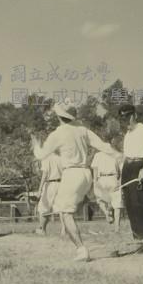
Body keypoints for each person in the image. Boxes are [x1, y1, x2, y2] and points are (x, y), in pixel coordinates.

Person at [31, 101, 121, 262]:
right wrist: (119, 156)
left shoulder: (58, 134)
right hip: (85, 172)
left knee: (65, 213)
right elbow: (102, 145)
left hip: (71, 173)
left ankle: (81, 249)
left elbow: (41, 155)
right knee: (84, 198)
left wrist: (36, 145)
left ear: (58, 116)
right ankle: (102, 205)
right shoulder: (82, 130)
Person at [117, 104, 143, 246]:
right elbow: (126, 156)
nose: (126, 120)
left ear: (134, 115)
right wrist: (121, 173)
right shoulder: (127, 135)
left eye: (128, 116)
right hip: (128, 167)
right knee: (129, 203)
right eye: (123, 118)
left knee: (139, 201)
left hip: (140, 166)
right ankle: (137, 236)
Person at [90, 136, 124, 233]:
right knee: (112, 202)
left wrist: (95, 182)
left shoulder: (113, 155)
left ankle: (110, 217)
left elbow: (95, 169)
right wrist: (95, 181)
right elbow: (95, 168)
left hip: (106, 179)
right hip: (108, 178)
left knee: (105, 200)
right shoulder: (112, 155)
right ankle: (111, 219)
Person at [34, 154, 63, 236]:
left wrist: (39, 189)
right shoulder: (61, 158)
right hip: (60, 184)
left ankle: (42, 229)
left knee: (43, 207)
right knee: (61, 208)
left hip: (50, 184)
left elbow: (45, 174)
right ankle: (64, 230)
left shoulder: (46, 158)